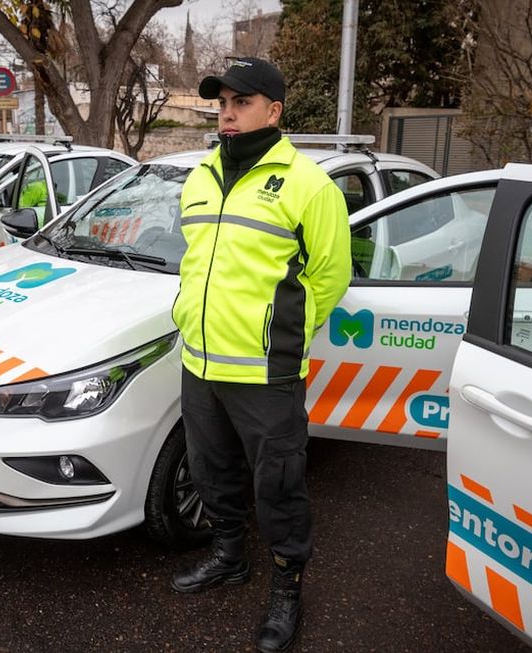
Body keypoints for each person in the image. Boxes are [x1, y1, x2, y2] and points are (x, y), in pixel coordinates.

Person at [170, 58, 351, 653]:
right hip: (199, 364)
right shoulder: (199, 176)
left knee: (278, 486)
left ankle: (286, 588)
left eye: (241, 101)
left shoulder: (308, 185)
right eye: (222, 102)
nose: (227, 111)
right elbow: (199, 264)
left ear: (274, 112)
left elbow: (329, 276)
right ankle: (229, 557)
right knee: (211, 470)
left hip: (265, 373)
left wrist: (280, 336)